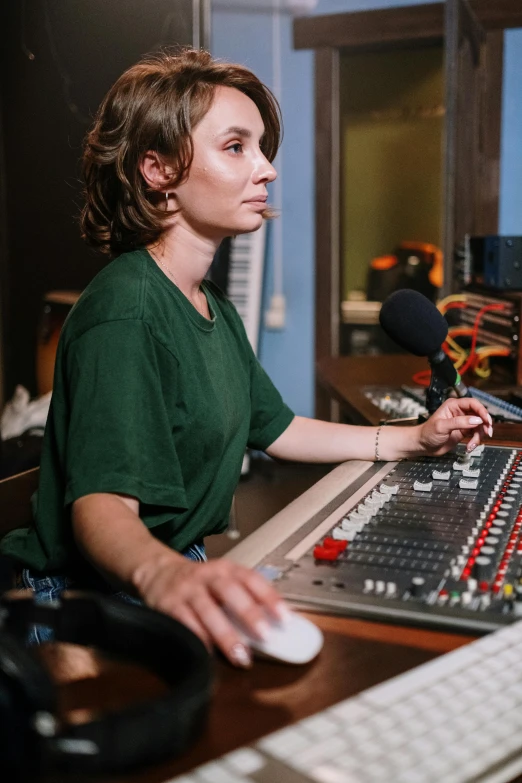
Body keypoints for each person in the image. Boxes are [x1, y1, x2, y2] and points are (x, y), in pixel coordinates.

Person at [1, 49, 492, 667]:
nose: (266, 169)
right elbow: (99, 508)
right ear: (158, 170)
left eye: (261, 147)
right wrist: (164, 576)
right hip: (90, 607)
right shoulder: (124, 311)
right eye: (236, 146)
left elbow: (277, 428)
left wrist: (413, 440)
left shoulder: (208, 304)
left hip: (169, 572)